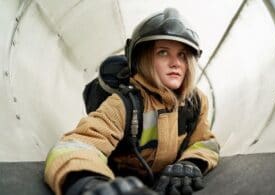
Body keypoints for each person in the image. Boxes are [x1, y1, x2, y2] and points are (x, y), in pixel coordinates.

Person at [44, 7, 220, 195]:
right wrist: (90, 184)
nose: (175, 62)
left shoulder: (196, 102)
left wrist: (191, 163)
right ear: (143, 58)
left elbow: (203, 142)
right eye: (163, 52)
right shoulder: (124, 104)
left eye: (183, 55)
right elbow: (80, 144)